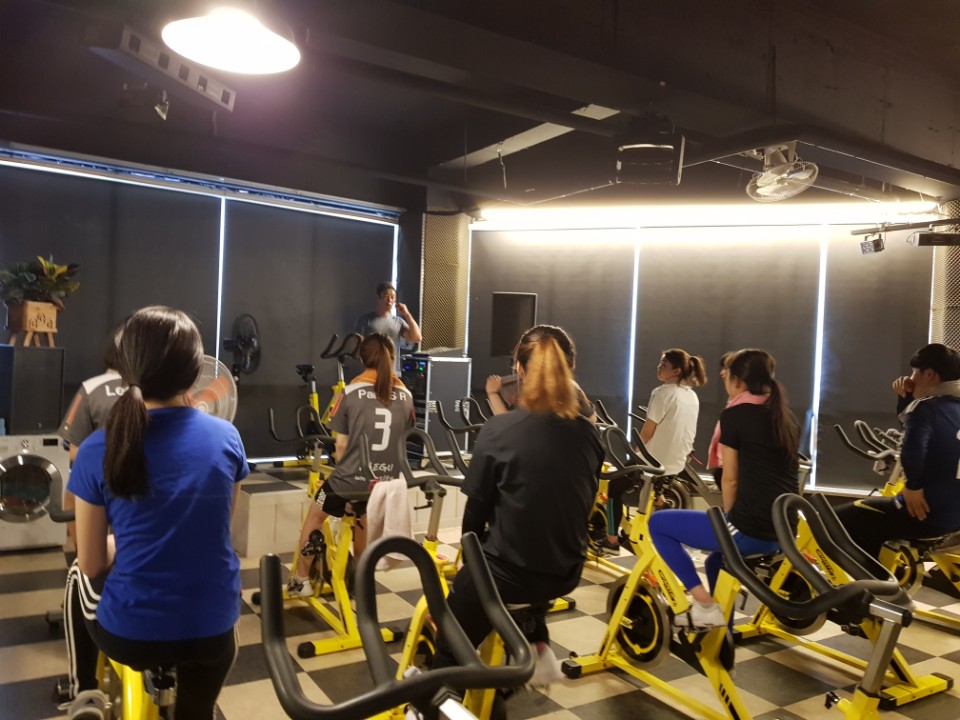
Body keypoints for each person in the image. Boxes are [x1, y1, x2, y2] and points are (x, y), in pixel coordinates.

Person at [61, 306, 248, 720]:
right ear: (196, 371)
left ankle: (84, 691)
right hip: (213, 633)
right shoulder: (228, 438)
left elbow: (92, 562)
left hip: (130, 635)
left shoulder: (96, 448)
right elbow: (217, 533)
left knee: (76, 573)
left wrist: (118, 543)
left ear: (126, 368)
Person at [435, 325, 604, 673]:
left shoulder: (499, 429)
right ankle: (535, 636)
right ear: (568, 368)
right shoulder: (589, 433)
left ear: (519, 369)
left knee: (450, 644)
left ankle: (440, 690)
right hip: (567, 571)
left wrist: (468, 563)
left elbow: (474, 517)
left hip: (509, 575)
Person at [648, 348, 801, 629]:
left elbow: (731, 479)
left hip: (751, 527)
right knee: (715, 562)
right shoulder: (785, 416)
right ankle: (723, 635)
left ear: (739, 380)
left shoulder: (736, 415)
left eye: (726, 372)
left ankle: (704, 604)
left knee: (658, 524)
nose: (721, 375)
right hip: (785, 531)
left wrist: (730, 521)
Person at [286, 333, 415, 596]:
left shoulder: (350, 392)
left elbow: (342, 447)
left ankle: (301, 581)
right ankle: (361, 583)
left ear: (362, 358)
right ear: (391, 358)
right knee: (362, 519)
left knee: (315, 516)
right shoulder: (407, 395)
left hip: (350, 480)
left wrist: (340, 473)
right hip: (387, 484)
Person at [836, 343, 960, 557]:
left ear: (929, 374)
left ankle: (868, 575)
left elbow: (913, 448)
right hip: (954, 518)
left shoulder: (926, 408)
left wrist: (913, 487)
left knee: (838, 518)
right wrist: (907, 397)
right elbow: (912, 427)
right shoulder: (950, 406)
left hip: (924, 515)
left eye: (914, 372)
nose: (910, 378)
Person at [603, 349, 707, 552]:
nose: (658, 367)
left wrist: (633, 455)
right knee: (648, 484)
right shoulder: (691, 396)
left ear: (676, 371)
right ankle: (660, 507)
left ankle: (611, 541)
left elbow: (647, 433)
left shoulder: (662, 393)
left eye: (664, 365)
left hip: (653, 464)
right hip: (676, 464)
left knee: (613, 486)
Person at [58, 322, 126, 552]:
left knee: (71, 495)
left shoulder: (90, 388)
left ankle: (83, 557)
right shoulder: (155, 391)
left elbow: (69, 448)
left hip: (102, 484)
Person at [354, 282, 422, 368]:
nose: (389, 300)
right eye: (386, 296)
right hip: (371, 371)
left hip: (392, 371)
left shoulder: (398, 322)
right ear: (378, 298)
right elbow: (357, 347)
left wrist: (407, 314)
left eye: (392, 297)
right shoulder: (365, 320)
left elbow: (417, 338)